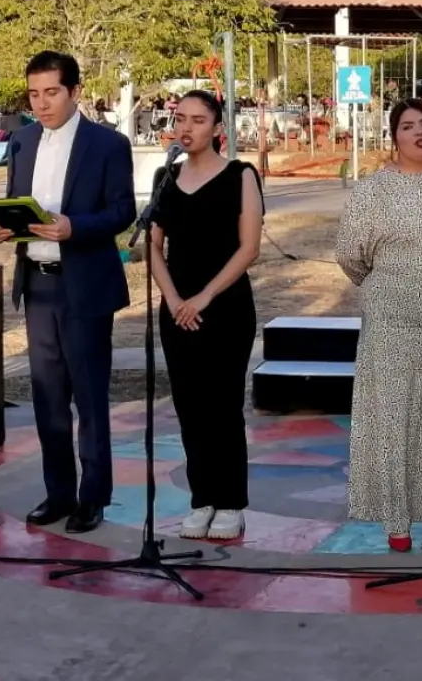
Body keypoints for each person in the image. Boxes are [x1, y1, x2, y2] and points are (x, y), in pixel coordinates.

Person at [0, 51, 135, 534]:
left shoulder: (107, 144)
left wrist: (75, 227)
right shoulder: (23, 140)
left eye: (51, 92)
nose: (42, 103)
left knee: (89, 399)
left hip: (85, 287)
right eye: (34, 94)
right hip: (37, 287)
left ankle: (93, 497)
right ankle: (58, 494)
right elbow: (19, 201)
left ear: (74, 91)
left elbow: (121, 212)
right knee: (47, 398)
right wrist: (7, 228)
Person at [335, 98, 422, 552]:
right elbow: (351, 256)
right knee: (393, 419)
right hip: (391, 324)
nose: (419, 132)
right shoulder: (373, 191)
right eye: (407, 126)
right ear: (394, 137)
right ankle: (396, 519)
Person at [149, 90, 262, 541]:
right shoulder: (166, 177)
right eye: (180, 119)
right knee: (189, 407)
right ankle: (203, 499)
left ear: (217, 129)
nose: (186, 128)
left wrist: (204, 297)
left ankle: (231, 500)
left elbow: (248, 247)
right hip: (177, 310)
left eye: (198, 120)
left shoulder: (240, 175)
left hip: (226, 307)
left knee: (222, 407)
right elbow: (153, 247)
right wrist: (175, 300)